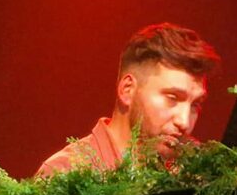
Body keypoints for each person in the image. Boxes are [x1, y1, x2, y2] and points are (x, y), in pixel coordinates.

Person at [36, 22, 220, 176]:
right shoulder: (65, 173)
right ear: (127, 90)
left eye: (195, 105)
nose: (184, 122)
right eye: (172, 98)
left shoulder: (190, 175)